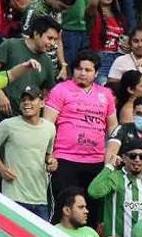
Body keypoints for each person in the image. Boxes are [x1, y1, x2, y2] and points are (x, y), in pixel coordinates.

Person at [45, 51, 117, 220]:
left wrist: (110, 159)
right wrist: (48, 154)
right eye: (78, 69)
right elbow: (47, 125)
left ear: (96, 73)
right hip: (65, 159)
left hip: (96, 161)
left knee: (91, 213)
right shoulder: (60, 90)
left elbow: (113, 128)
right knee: (63, 211)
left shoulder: (106, 94)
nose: (82, 73)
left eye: (88, 70)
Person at [0, 86, 57, 219]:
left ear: (42, 103)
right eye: (23, 100)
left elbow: (48, 155)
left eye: (31, 99)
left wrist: (52, 162)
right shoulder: (8, 125)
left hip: (40, 198)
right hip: (13, 196)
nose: (26, 103)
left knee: (38, 233)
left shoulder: (50, 128)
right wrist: (1, 168)